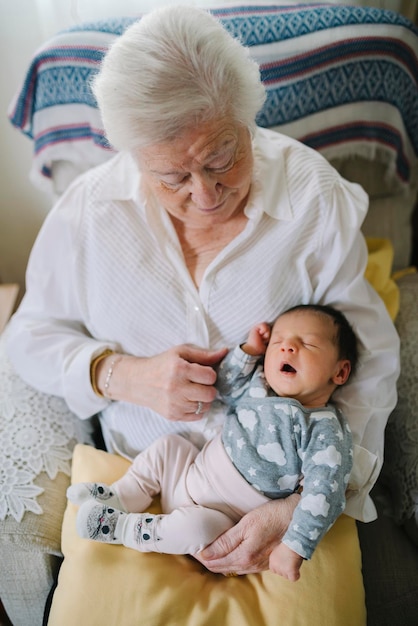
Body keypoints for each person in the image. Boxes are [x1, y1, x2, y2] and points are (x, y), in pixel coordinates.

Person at [6, 5, 399, 577]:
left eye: (223, 159)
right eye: (174, 178)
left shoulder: (313, 198)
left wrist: (300, 508)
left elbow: (370, 361)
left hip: (283, 505)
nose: (208, 194)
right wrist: (119, 373)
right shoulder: (89, 215)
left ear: (246, 117)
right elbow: (28, 336)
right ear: (134, 156)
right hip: (145, 482)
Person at [68, 304, 356, 582]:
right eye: (278, 341)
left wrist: (295, 546)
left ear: (340, 372)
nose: (287, 347)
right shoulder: (259, 386)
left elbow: (325, 493)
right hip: (189, 474)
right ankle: (119, 496)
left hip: (221, 520)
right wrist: (250, 351)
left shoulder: (324, 428)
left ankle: (122, 527)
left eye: (307, 344)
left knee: (196, 528)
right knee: (169, 446)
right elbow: (224, 385)